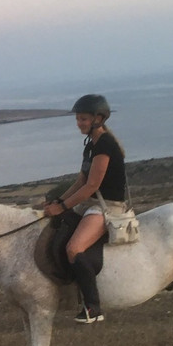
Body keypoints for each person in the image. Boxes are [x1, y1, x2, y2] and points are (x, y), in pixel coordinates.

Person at [41, 94, 128, 324]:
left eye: (84, 119)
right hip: (91, 203)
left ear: (98, 119)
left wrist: (63, 207)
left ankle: (93, 307)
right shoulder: (91, 145)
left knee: (74, 248)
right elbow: (80, 181)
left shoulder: (106, 144)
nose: (79, 123)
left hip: (106, 206)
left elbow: (92, 186)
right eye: (78, 119)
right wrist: (58, 202)